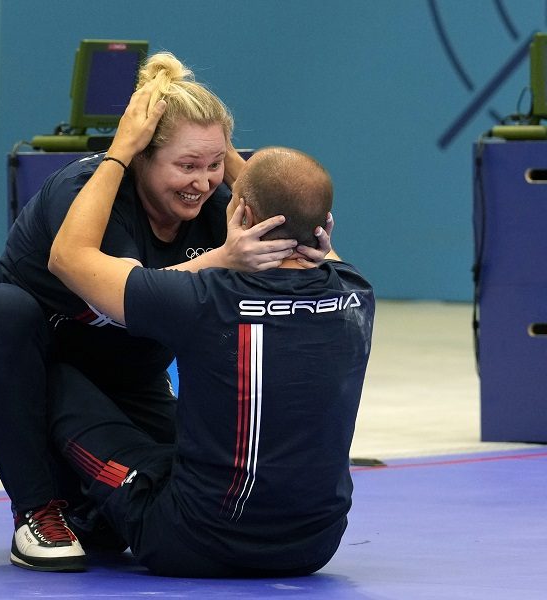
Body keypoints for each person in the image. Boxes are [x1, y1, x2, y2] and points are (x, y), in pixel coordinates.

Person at [0, 51, 332, 572]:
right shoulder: (85, 193)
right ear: (143, 159)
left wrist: (253, 190)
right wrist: (122, 150)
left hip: (126, 370)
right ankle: (36, 513)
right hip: (22, 356)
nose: (201, 181)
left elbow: (288, 227)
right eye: (186, 165)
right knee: (1, 310)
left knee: (169, 489)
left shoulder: (221, 206)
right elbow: (124, 290)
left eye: (214, 164)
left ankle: (87, 512)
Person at [45, 77, 375, 577]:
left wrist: (120, 153)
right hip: (314, 546)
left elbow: (69, 258)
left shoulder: (206, 298)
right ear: (324, 226)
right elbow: (298, 216)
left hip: (192, 544)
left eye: (217, 170)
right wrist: (236, 168)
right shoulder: (357, 294)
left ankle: (55, 512)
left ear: (240, 208)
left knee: (45, 369)